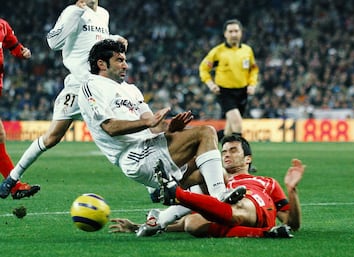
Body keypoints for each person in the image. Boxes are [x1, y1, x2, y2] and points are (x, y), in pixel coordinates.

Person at [78, 39, 228, 213]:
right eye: (119, 60)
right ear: (101, 64)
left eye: (125, 60)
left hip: (152, 147)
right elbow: (110, 128)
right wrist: (147, 123)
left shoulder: (131, 89)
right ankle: (220, 197)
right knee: (206, 132)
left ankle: (167, 216)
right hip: (134, 156)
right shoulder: (92, 86)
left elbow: (155, 126)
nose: (125, 65)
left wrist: (172, 128)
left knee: (213, 172)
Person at [0, 0, 127, 198]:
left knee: (121, 129)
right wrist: (76, 12)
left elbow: (96, 42)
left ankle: (155, 187)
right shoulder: (72, 11)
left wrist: (115, 39)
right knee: (52, 137)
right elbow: (53, 42)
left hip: (99, 86)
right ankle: (12, 178)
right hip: (77, 86)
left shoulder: (103, 14)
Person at [110, 135, 305, 238]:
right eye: (224, 151)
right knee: (191, 224)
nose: (226, 154)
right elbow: (182, 225)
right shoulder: (216, 178)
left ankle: (175, 191)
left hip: (255, 206)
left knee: (231, 197)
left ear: (248, 159)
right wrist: (139, 226)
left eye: (233, 150)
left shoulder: (266, 182)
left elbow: (292, 223)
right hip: (224, 212)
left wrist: (292, 189)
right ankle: (170, 197)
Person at [0, 18, 40, 199]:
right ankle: (16, 186)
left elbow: (14, 46)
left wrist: (23, 52)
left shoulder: (2, 25)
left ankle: (15, 186)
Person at [199, 19, 259, 139]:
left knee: (229, 130)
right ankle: (240, 153)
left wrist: (252, 84)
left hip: (242, 92)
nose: (234, 34)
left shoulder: (247, 50)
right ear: (225, 34)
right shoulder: (217, 52)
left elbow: (253, 69)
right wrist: (211, 85)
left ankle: (208, 141)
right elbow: (203, 68)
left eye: (236, 31)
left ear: (241, 33)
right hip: (225, 92)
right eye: (230, 31)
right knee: (237, 123)